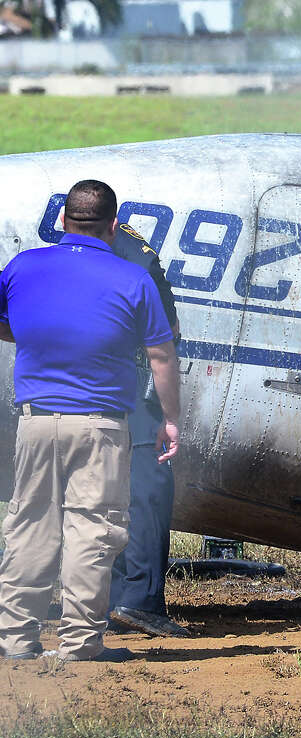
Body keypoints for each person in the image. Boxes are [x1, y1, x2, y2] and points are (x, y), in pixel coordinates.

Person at [0, 180, 181, 663]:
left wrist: (33, 333)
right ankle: (79, 644)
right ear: (114, 226)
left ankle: (16, 641)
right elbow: (162, 356)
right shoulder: (133, 279)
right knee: (92, 529)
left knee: (29, 526)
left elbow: (5, 320)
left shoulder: (21, 267)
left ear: (61, 220)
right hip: (101, 426)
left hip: (35, 422)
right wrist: (170, 419)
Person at [107, 223, 189, 638]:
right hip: (134, 385)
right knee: (148, 489)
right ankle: (139, 600)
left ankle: (103, 598)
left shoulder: (55, 255)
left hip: (83, 387)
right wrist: (170, 413)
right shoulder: (133, 249)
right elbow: (165, 334)